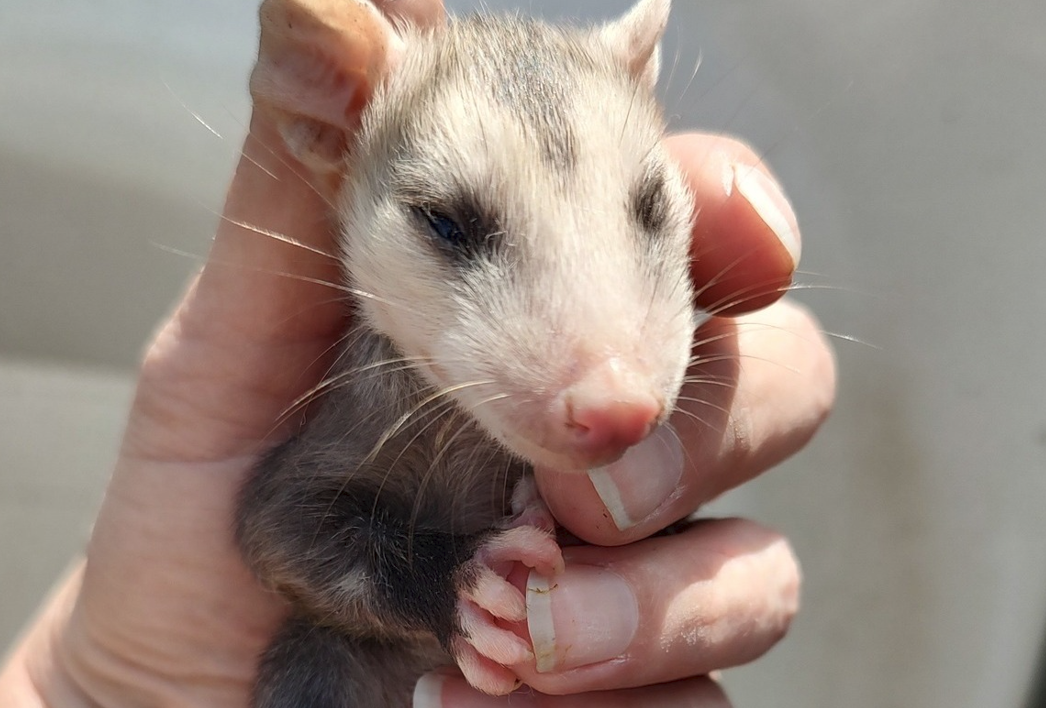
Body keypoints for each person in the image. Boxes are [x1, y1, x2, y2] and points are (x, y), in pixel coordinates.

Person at [0, 1, 835, 704]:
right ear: (334, 120)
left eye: (650, 213)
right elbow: (290, 528)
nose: (617, 387)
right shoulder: (353, 389)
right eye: (454, 228)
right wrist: (455, 583)